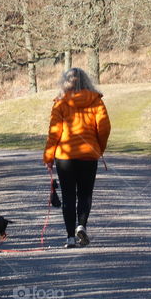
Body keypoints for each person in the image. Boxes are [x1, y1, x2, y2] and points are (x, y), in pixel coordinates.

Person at [43, 67, 111, 248]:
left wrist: (48, 157)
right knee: (85, 194)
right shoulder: (96, 101)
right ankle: (81, 226)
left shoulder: (60, 103)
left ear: (65, 82)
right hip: (88, 156)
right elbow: (104, 128)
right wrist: (98, 149)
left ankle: (70, 238)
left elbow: (54, 133)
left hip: (65, 157)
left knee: (68, 196)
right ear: (86, 81)